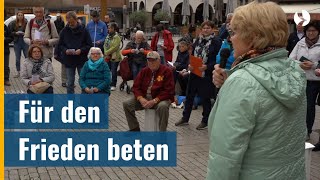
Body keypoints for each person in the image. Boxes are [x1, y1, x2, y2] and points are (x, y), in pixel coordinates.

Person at [209, 2, 306, 179]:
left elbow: (225, 157)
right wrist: (230, 80)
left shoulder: (242, 83)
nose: (231, 39)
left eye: (234, 32)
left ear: (252, 37)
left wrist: (233, 84)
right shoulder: (295, 71)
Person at [175, 21, 221, 130]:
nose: (205, 30)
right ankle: (185, 118)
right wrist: (189, 65)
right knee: (189, 95)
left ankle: (205, 120)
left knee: (205, 97)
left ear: (212, 29)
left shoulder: (216, 42)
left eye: (208, 28)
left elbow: (217, 60)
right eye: (203, 28)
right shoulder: (198, 41)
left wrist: (207, 67)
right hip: (195, 72)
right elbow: (191, 56)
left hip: (206, 74)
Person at [123, 51, 174, 131]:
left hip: (160, 99)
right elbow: (136, 87)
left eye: (153, 60)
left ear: (159, 61)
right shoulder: (144, 71)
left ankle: (162, 133)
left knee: (163, 107)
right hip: (145, 98)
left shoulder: (166, 71)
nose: (151, 63)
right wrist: (140, 98)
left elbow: (169, 90)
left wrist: (155, 100)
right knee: (126, 104)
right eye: (149, 61)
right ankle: (134, 128)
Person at [289, 21, 320, 141]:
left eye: (313, 31)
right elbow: (291, 59)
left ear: (318, 32)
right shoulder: (300, 43)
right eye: (308, 31)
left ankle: (307, 130)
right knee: (300, 106)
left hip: (316, 80)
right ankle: (300, 130)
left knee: (310, 107)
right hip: (301, 79)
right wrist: (300, 65)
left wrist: (314, 65)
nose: (311, 33)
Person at [57, 11, 92, 94]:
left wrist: (81, 50)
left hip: (81, 59)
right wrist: (66, 50)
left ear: (76, 20)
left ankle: (84, 102)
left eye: (72, 22)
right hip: (69, 60)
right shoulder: (64, 31)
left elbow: (89, 44)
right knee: (69, 82)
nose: (70, 24)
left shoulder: (84, 30)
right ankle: (70, 101)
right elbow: (60, 45)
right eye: (68, 22)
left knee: (83, 81)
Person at [8, 11, 29, 78]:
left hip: (25, 42)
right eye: (19, 15)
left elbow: (29, 31)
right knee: (17, 58)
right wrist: (15, 33)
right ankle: (18, 72)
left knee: (27, 57)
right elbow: (10, 32)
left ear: (23, 16)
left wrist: (24, 33)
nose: (20, 16)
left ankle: (27, 72)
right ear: (17, 16)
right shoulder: (13, 23)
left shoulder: (26, 22)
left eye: (21, 15)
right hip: (17, 42)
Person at [104, 22, 121, 91]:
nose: (109, 29)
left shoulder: (116, 37)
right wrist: (105, 52)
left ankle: (113, 84)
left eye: (110, 28)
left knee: (114, 71)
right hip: (107, 56)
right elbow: (105, 44)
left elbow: (115, 47)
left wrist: (107, 52)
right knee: (107, 71)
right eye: (108, 28)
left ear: (114, 29)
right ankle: (108, 83)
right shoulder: (108, 36)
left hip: (115, 57)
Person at [54, 13, 67, 87]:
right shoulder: (55, 22)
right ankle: (64, 81)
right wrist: (56, 53)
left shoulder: (62, 23)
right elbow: (58, 44)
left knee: (70, 69)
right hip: (64, 53)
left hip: (71, 53)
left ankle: (69, 81)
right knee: (64, 67)